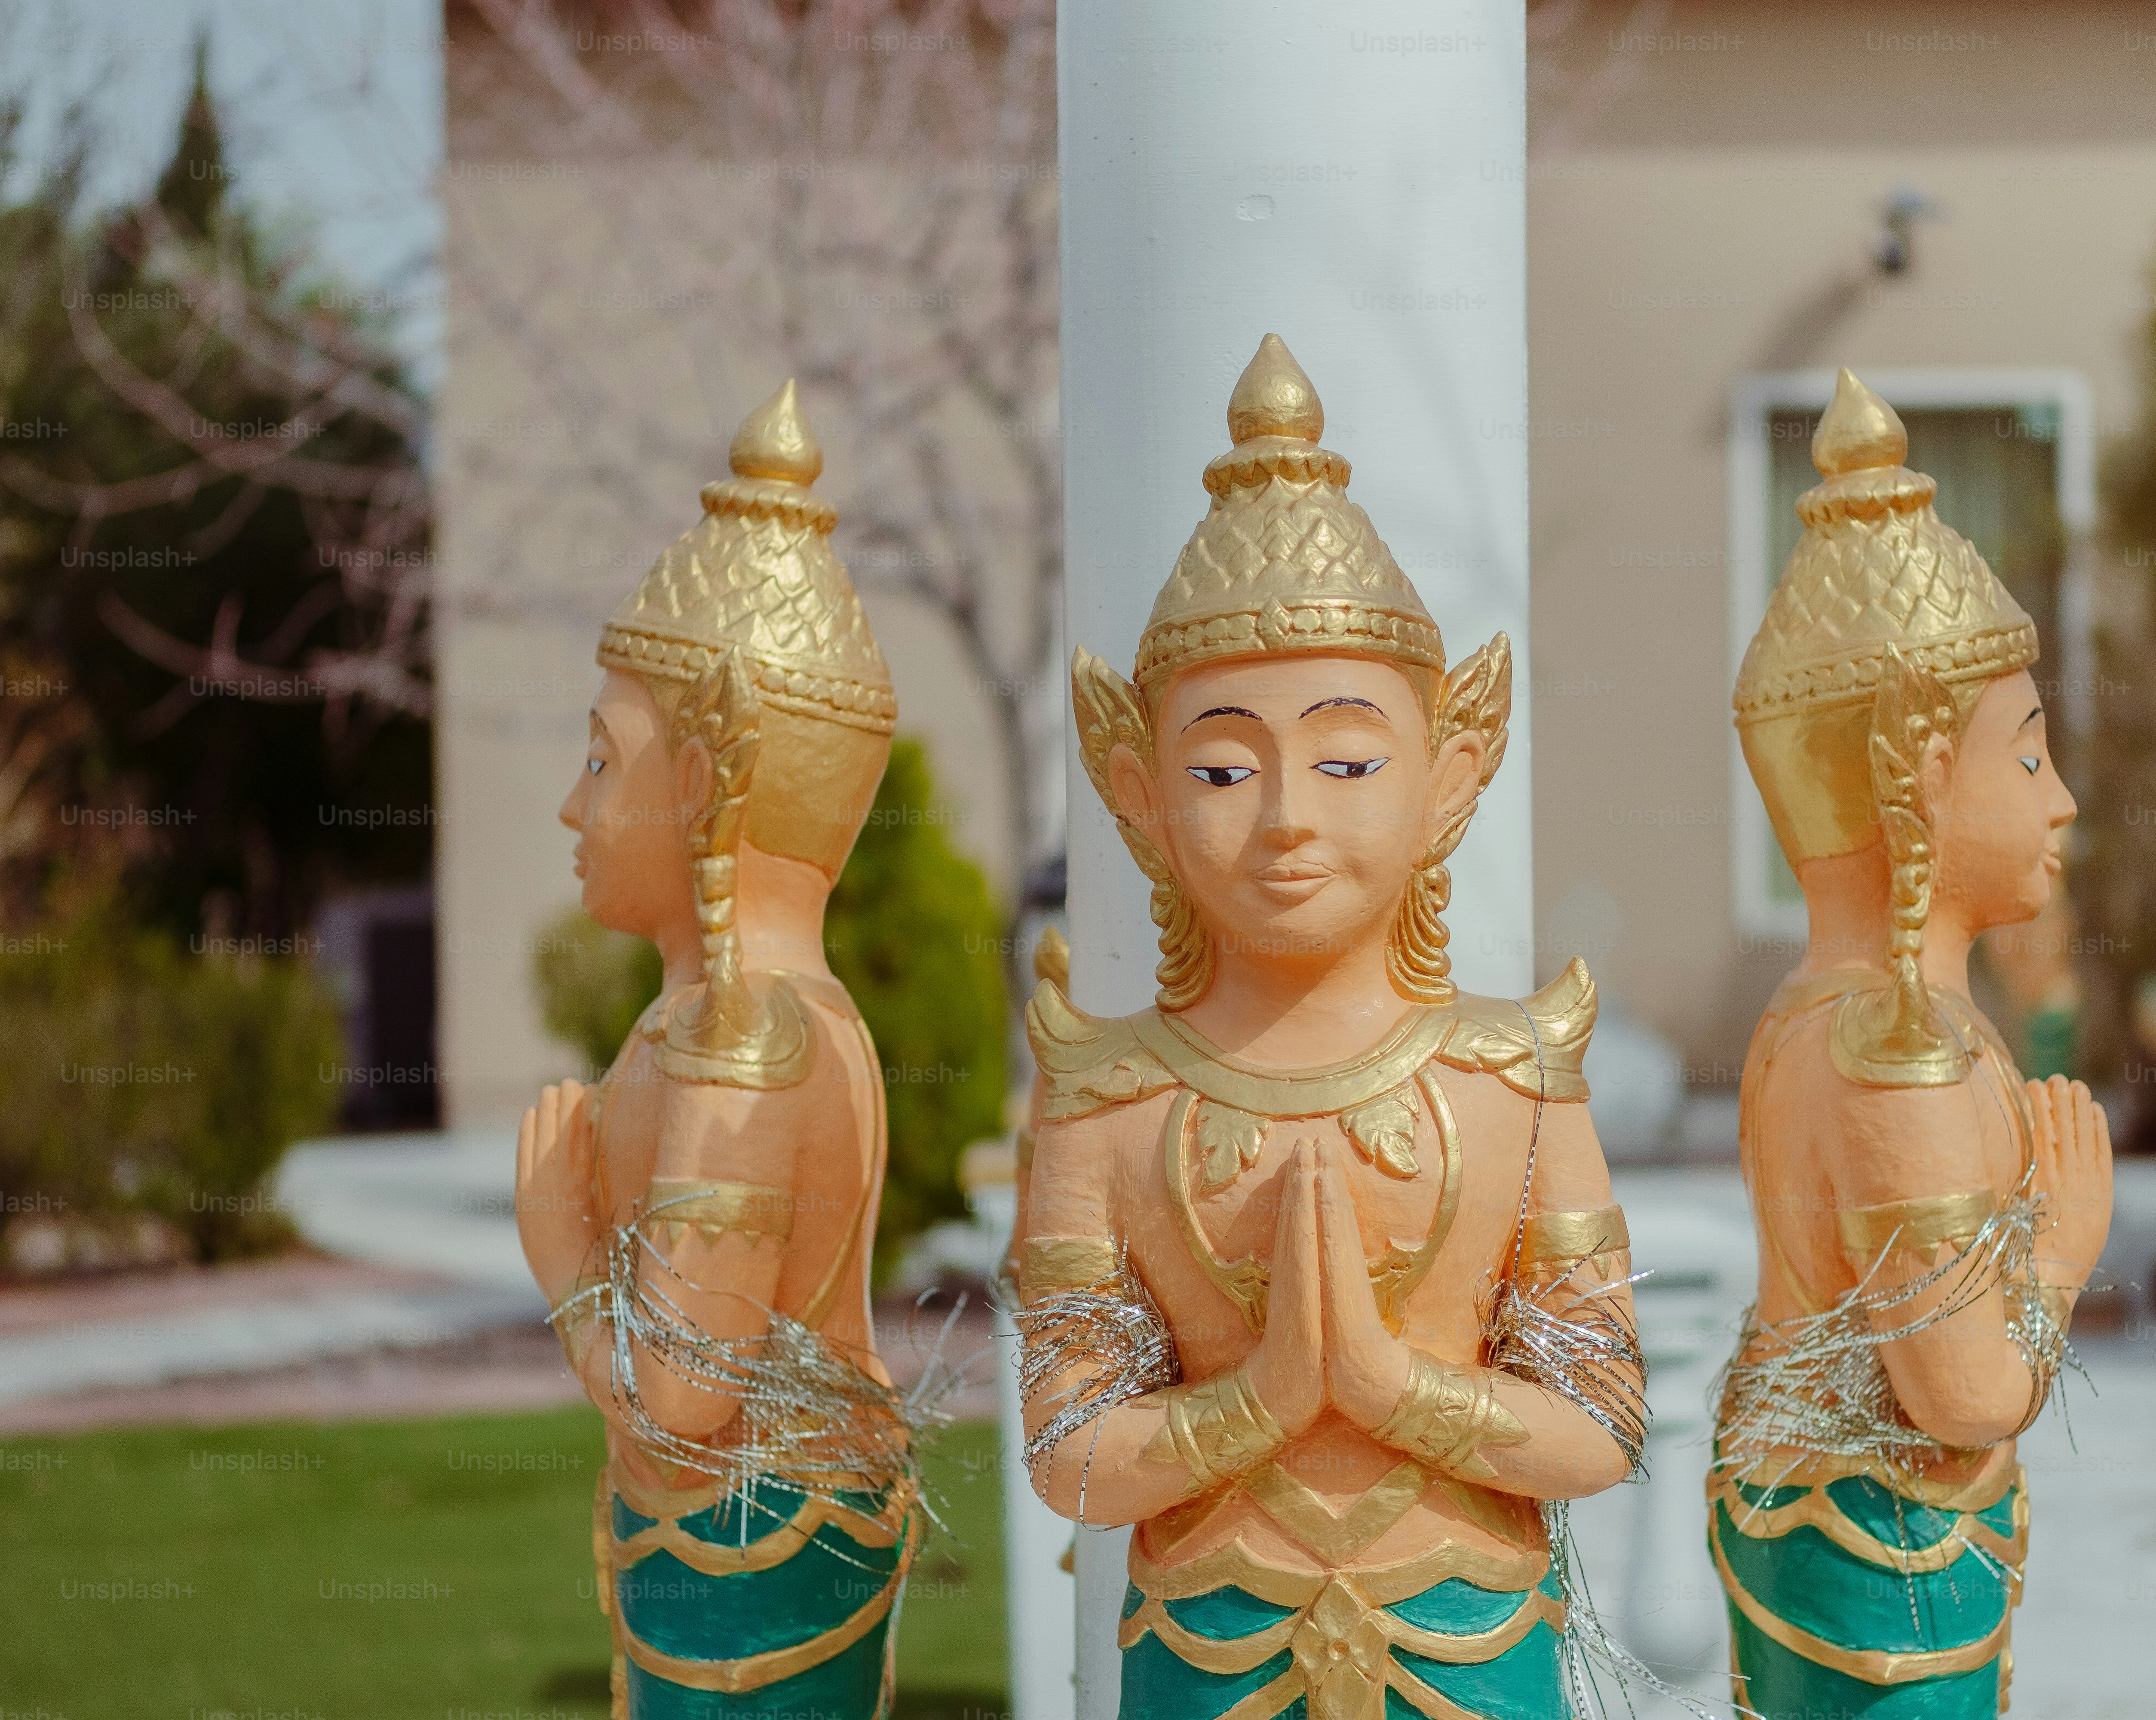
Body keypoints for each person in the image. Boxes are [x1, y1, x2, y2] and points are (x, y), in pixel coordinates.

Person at [1014, 336, 1647, 1720]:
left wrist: (1386, 1385)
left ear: (1450, 775)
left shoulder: (1514, 1078)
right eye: (1226, 767)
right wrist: (1265, 1399)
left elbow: (1603, 1427)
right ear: (1138, 794)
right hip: (1207, 1650)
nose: (1291, 812)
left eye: (1351, 760)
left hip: (1473, 1648)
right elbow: (1068, 1454)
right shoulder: (1108, 1100)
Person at [1713, 370, 2116, 1719]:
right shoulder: (1903, 1060)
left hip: (1822, 1535)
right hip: (1886, 1576)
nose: (2059, 801)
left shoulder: (1800, 1020)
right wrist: (2059, 1256)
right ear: (1916, 771)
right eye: (2026, 756)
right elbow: (1965, 1392)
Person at [514, 383, 918, 1719]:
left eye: (602, 760)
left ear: (703, 785)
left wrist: (562, 1247)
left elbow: (684, 1392)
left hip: (755, 1559)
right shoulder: (741, 1022)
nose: (576, 804)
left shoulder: (747, 1047)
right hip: (724, 1543)